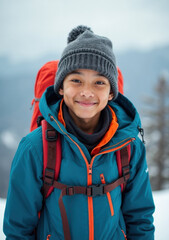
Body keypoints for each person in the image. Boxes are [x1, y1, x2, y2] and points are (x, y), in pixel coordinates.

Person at [3, 25, 155, 240]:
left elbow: (140, 218)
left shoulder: (129, 146)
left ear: (111, 92)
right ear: (61, 87)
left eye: (99, 82)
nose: (86, 91)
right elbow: (18, 229)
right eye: (76, 80)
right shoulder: (35, 148)